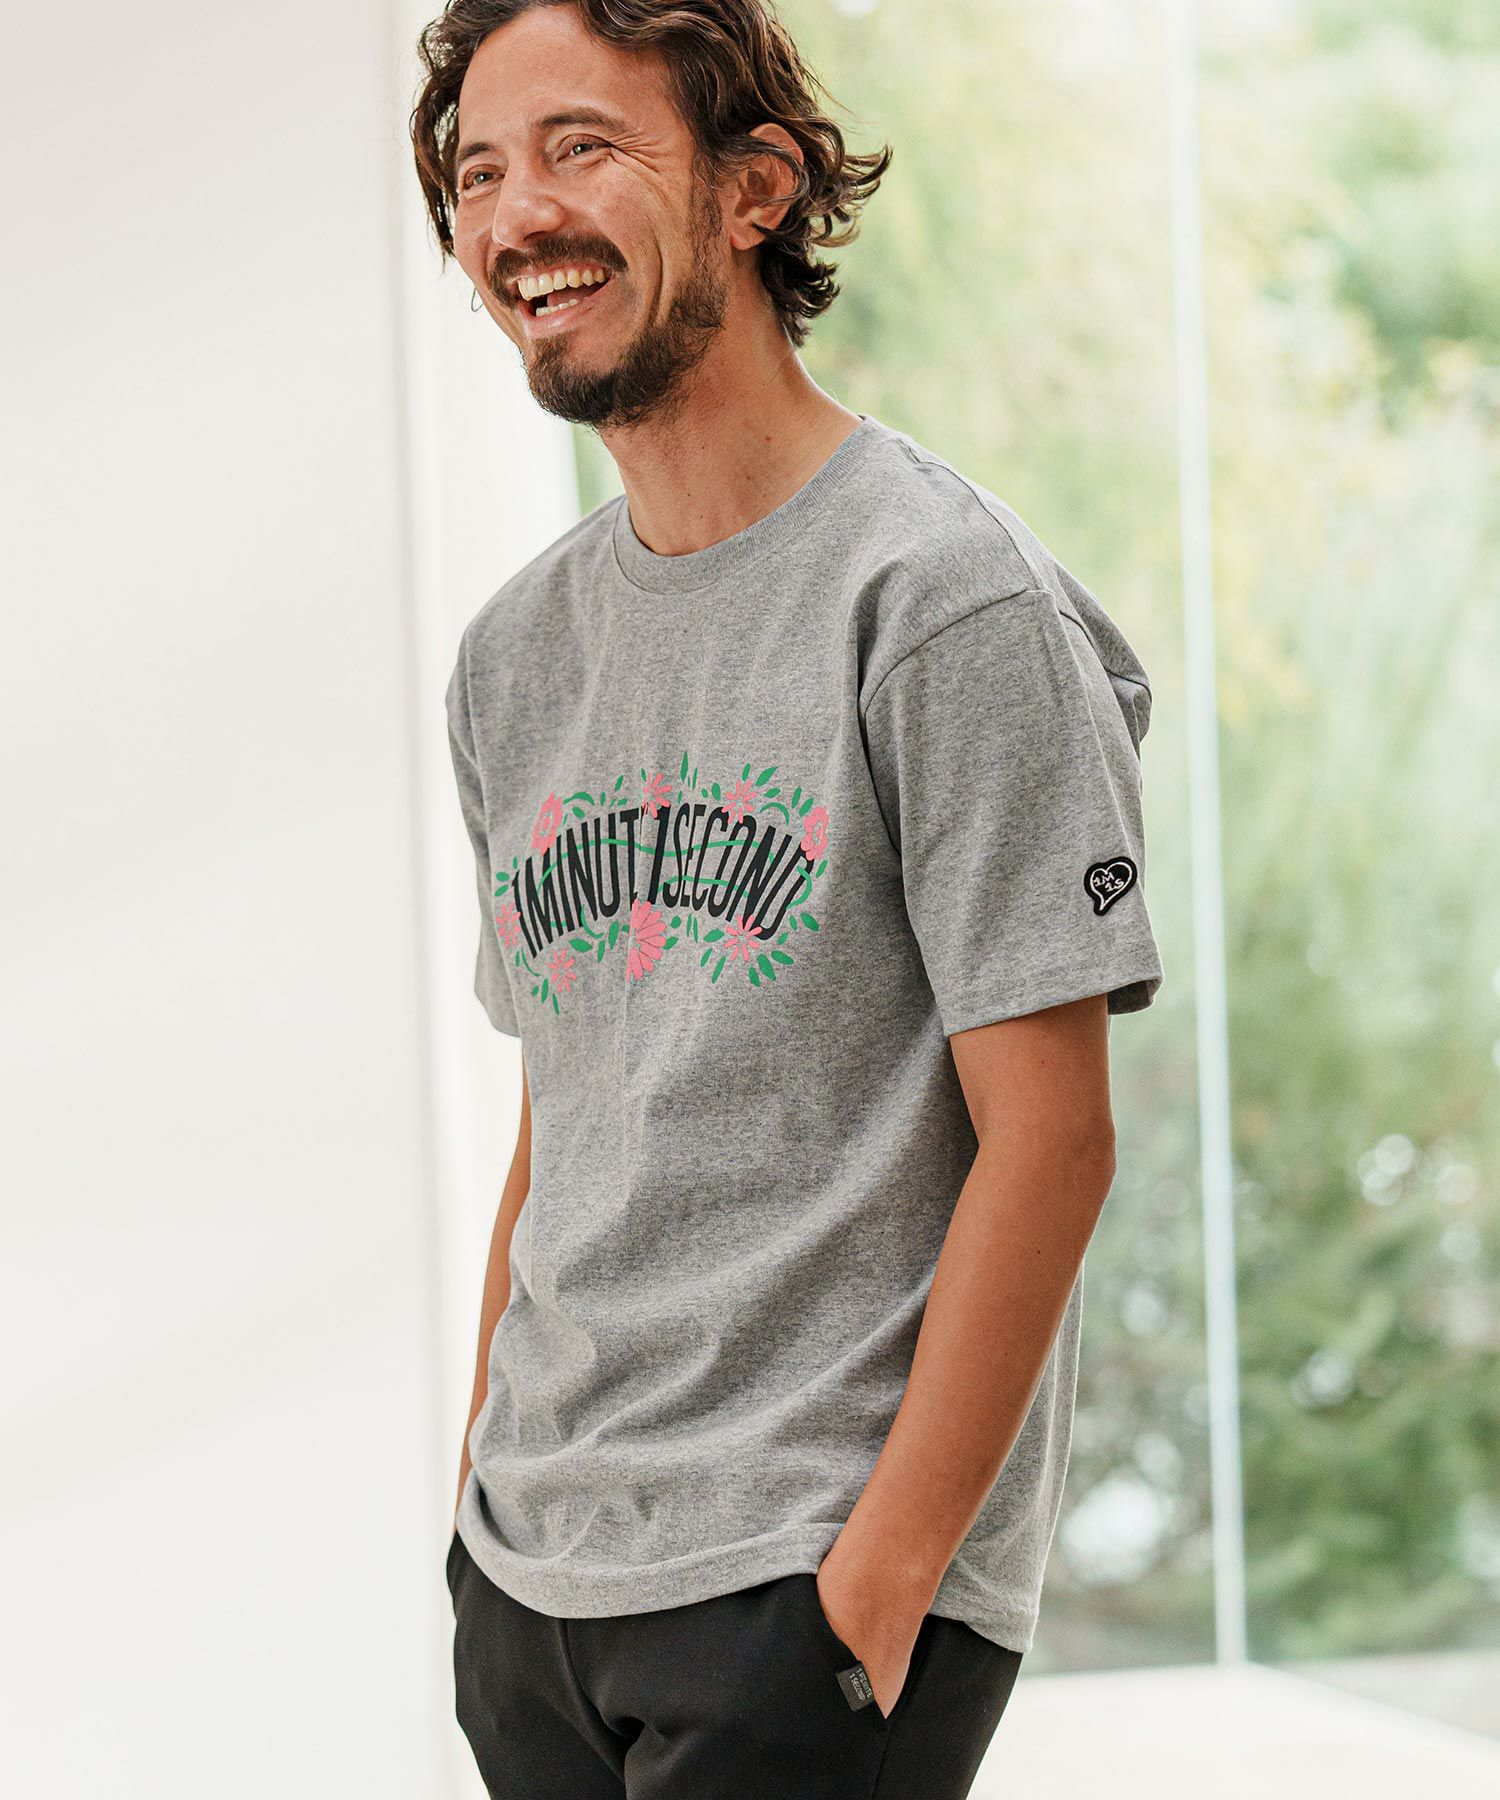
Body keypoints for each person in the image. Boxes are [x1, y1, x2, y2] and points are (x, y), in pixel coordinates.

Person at [410, 2, 1165, 1794]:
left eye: (582, 146)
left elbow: (1052, 1137)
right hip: (536, 1580)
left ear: (755, 191)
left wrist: (879, 1588)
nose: (520, 214)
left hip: (800, 1589)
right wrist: (480, 1498)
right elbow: (568, 1109)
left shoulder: (943, 601)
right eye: (479, 173)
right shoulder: (514, 658)